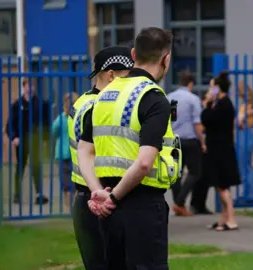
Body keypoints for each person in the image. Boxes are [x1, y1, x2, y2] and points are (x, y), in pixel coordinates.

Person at [77, 27, 181, 270]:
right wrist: (113, 197)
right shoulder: (153, 97)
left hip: (107, 209)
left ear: (134, 54)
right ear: (166, 59)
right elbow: (145, 162)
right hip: (142, 205)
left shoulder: (104, 95)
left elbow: (84, 150)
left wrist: (99, 193)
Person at [68, 46, 133, 270]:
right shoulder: (100, 108)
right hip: (99, 199)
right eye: (128, 74)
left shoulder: (82, 102)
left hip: (85, 199)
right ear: (111, 75)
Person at [203, 73, 241, 231]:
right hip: (220, 148)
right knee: (222, 186)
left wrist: (207, 102)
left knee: (222, 186)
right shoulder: (222, 103)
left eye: (212, 86)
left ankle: (231, 219)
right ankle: (223, 219)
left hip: (221, 149)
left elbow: (205, 118)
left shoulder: (223, 104)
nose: (210, 90)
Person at [168, 71, 206, 216]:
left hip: (174, 140)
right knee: (195, 172)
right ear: (191, 83)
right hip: (190, 140)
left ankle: (179, 204)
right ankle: (179, 202)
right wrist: (203, 141)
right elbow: (197, 123)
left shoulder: (170, 98)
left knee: (176, 174)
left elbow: (171, 119)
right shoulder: (193, 99)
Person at [6, 79, 49, 204]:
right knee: (20, 168)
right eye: (27, 85)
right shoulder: (17, 105)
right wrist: (14, 137)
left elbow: (46, 123)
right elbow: (10, 125)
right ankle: (17, 194)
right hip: (21, 141)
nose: (30, 88)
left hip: (35, 141)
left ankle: (39, 194)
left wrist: (45, 139)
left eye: (32, 85)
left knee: (37, 167)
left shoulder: (40, 104)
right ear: (23, 87)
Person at [53, 92, 79, 212]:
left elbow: (54, 131)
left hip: (65, 153)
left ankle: (69, 207)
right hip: (74, 153)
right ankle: (71, 207)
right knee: (73, 182)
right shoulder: (77, 116)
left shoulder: (62, 118)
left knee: (67, 183)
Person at [190, 91, 214, 215]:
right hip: (202, 144)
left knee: (203, 176)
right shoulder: (202, 110)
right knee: (201, 176)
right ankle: (196, 204)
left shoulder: (209, 109)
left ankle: (198, 204)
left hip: (204, 144)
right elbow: (200, 126)